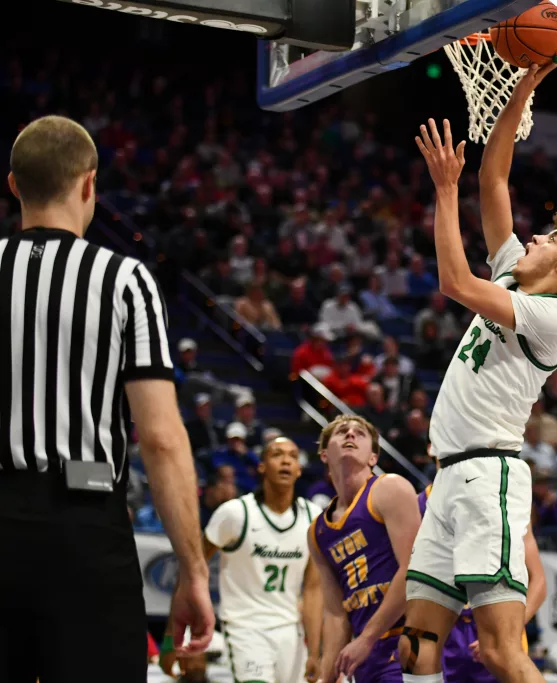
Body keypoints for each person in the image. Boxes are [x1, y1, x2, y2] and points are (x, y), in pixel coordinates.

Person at [402, 60, 557, 683]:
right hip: (448, 477)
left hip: (488, 475)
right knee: (417, 647)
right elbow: (494, 177)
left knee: (500, 650)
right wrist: (524, 85)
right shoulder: (513, 277)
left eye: (549, 238)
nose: (534, 238)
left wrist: (444, 190)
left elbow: (454, 280)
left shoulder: (552, 317)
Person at [0, 114, 214, 681]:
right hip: (85, 525)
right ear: (90, 183)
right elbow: (161, 440)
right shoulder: (125, 279)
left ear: (15, 185)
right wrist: (193, 571)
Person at [160, 436, 323, 683]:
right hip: (245, 628)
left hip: (291, 630)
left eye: (292, 456)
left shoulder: (313, 517)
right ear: (261, 466)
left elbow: (313, 589)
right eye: (277, 455)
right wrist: (172, 636)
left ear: (299, 470)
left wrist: (315, 651)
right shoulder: (235, 514)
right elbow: (191, 570)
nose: (286, 461)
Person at [309, 415, 421, 683]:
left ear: (373, 457)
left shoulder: (389, 488)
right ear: (324, 455)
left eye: (359, 433)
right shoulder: (317, 531)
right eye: (341, 432)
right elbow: (336, 612)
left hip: (408, 639)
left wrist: (367, 638)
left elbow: (415, 571)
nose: (350, 434)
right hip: (365, 654)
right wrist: (327, 676)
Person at [418, 475, 548, 683]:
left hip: (497, 620)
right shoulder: (419, 504)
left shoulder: (507, 500)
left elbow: (538, 581)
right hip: (445, 628)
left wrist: (509, 630)